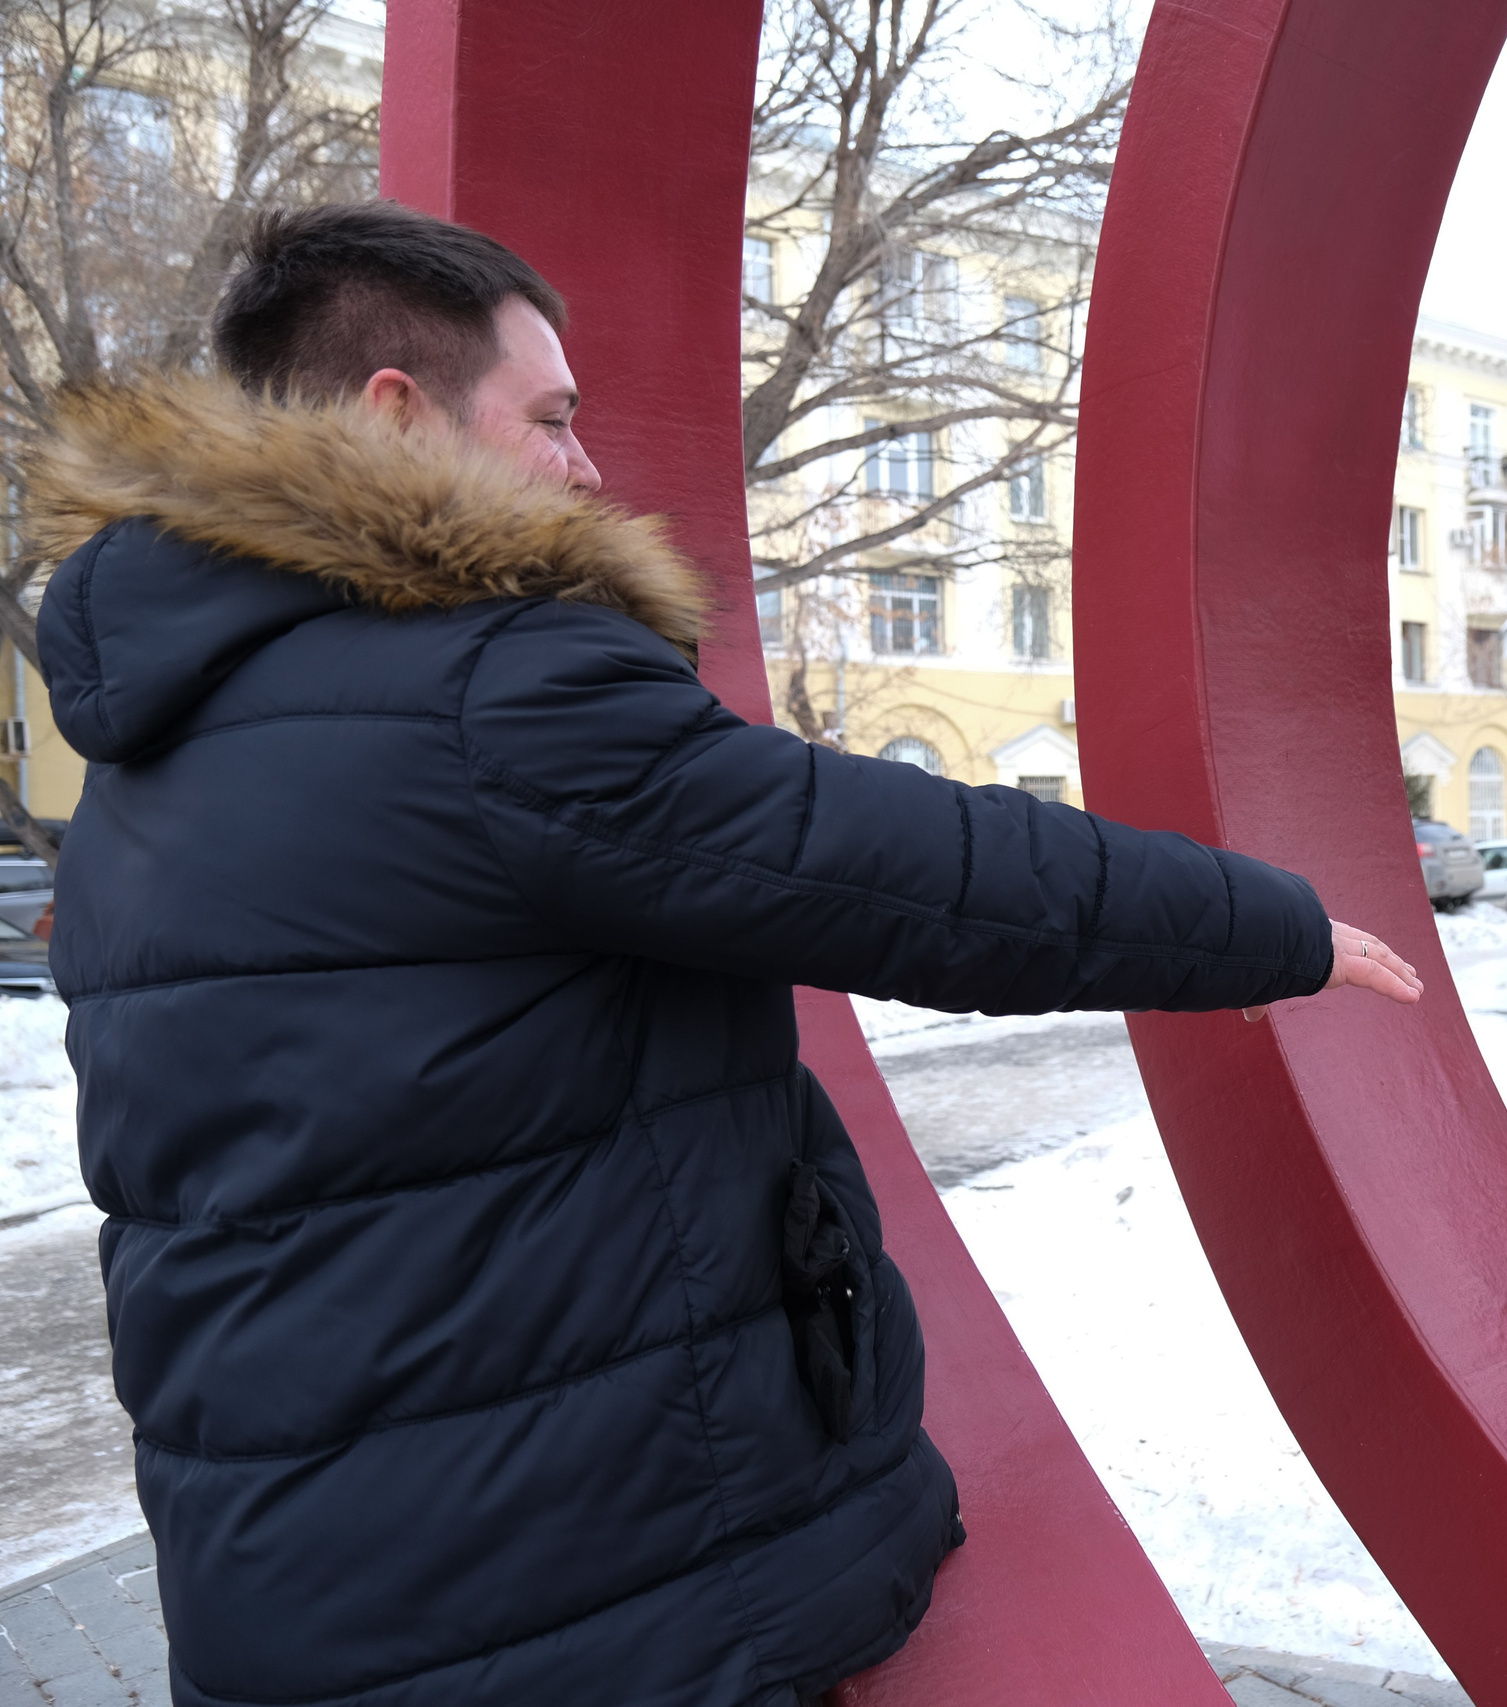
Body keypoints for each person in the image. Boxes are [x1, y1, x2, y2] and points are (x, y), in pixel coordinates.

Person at [27, 201, 1424, 1707]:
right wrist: (1270, 928)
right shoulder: (488, 690)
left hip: (280, 1575)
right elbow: (913, 866)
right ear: (398, 412)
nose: (585, 466)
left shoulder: (148, 756)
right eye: (550, 419)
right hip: (559, 1592)